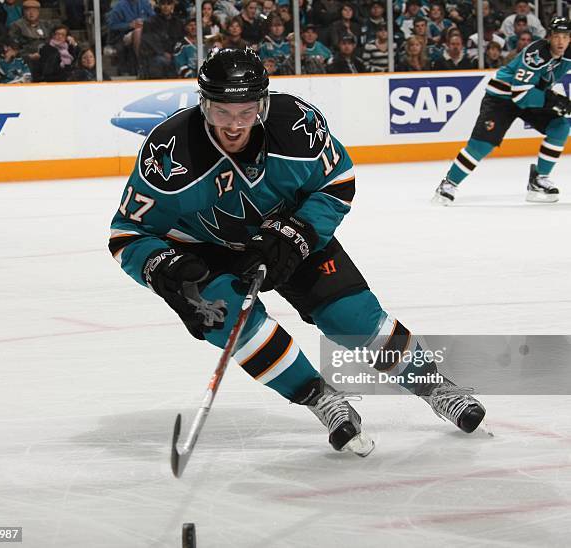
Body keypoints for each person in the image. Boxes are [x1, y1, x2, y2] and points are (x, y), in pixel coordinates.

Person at [109, 48, 487, 456]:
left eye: (246, 112)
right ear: (204, 105)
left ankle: (434, 385)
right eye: (222, 113)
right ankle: (318, 397)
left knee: (351, 318)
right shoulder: (170, 153)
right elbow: (126, 233)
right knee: (228, 320)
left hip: (288, 230)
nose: (234, 126)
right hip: (205, 250)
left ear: (264, 105)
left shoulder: (297, 126)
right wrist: (161, 266)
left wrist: (298, 233)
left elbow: (338, 182)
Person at [434, 16, 570, 205]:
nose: (561, 41)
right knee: (482, 144)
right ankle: (448, 184)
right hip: (503, 97)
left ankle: (539, 180)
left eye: (565, 36)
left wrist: (555, 101)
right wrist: (554, 100)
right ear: (549, 37)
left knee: (561, 125)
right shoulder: (536, 54)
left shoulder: (568, 52)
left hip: (533, 93)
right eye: (557, 36)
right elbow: (520, 95)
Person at [138, 0, 184, 79]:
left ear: (173, 6)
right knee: (160, 61)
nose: (166, 7)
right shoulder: (150, 22)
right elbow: (149, 41)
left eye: (168, 4)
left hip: (175, 54)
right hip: (156, 55)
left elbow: (181, 40)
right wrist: (162, 53)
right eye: (163, 4)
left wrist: (175, 54)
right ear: (159, 5)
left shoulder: (178, 22)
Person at [8, 0, 51, 74]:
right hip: (27, 56)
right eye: (28, 10)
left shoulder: (45, 24)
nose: (31, 13)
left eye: (34, 10)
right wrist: (28, 56)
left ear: (38, 12)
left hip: (45, 55)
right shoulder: (16, 26)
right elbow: (14, 46)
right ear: (24, 12)